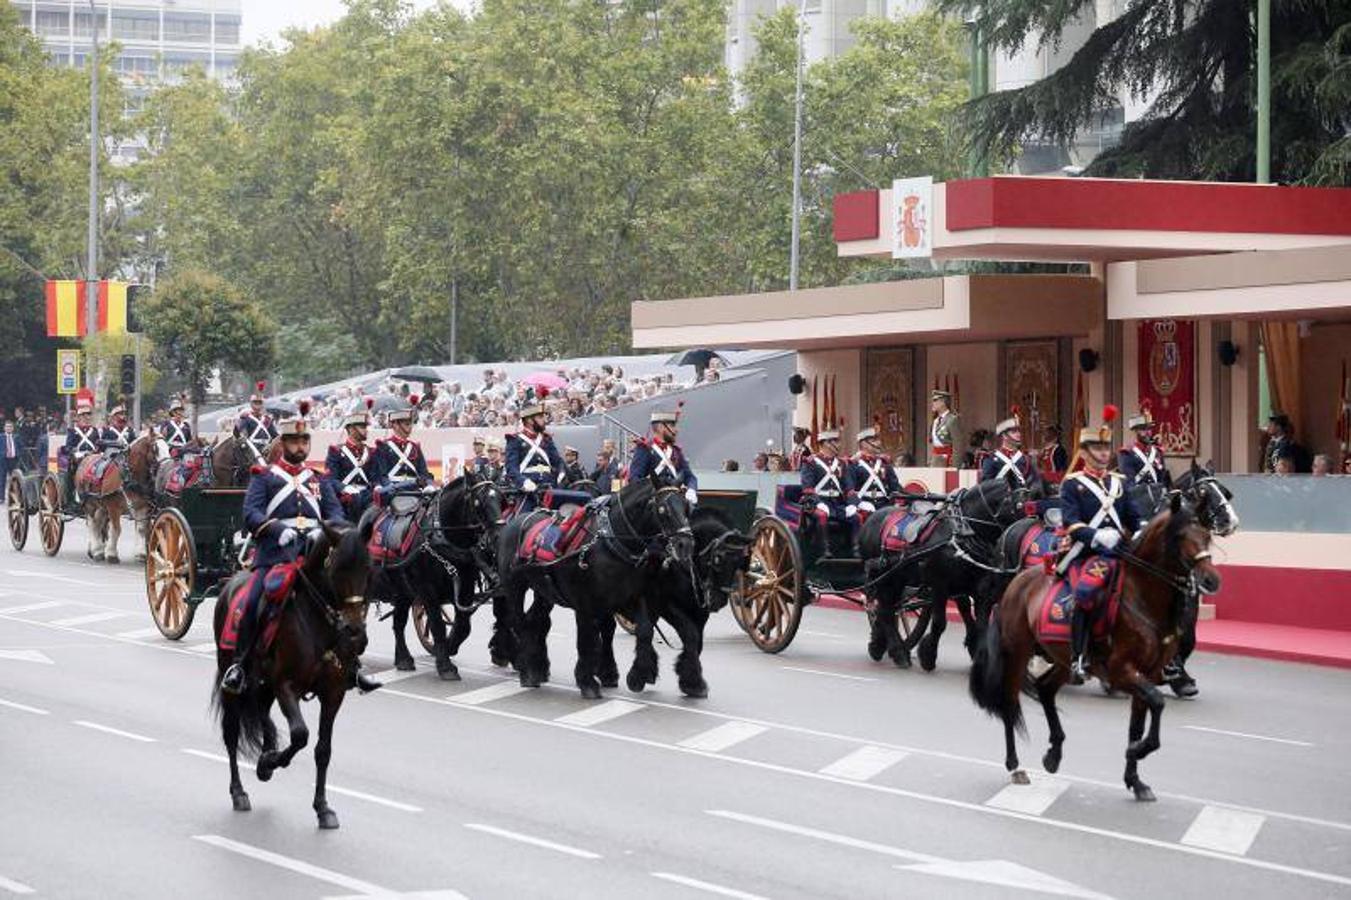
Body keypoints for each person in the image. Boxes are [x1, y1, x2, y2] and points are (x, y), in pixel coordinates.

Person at [220, 412, 379, 695]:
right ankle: (240, 666)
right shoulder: (264, 477)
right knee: (253, 601)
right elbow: (251, 513)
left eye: (304, 441)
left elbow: (334, 511)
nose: (300, 447)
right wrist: (275, 528)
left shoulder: (319, 478)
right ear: (283, 443)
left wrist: (328, 530)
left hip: (314, 555)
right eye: (294, 441)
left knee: (343, 604)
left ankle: (351, 666)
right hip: (274, 555)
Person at [1059, 405, 1143, 684]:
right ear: (1084, 453)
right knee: (1085, 594)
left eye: (1107, 447)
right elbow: (1071, 522)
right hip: (1088, 552)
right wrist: (1096, 536)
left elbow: (1133, 516)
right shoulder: (1073, 484)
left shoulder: (1118, 482)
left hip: (1121, 552)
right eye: (1098, 448)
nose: (1105, 453)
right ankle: (1078, 657)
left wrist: (1141, 529)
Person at [800, 429, 856, 556]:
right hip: (816, 502)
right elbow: (808, 488)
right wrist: (818, 502)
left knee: (856, 516)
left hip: (837, 503)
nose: (839, 444)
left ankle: (855, 549)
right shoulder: (810, 462)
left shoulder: (841, 463)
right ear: (825, 443)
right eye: (835, 441)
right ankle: (824, 550)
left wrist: (853, 503)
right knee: (822, 515)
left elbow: (849, 488)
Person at [506, 392, 563, 511]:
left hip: (549, 488)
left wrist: (558, 476)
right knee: (520, 521)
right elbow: (511, 468)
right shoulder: (515, 440)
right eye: (540, 417)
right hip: (528, 490)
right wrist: (524, 482)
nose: (544, 420)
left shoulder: (546, 439)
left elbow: (557, 462)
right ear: (530, 420)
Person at [628, 409, 698, 504]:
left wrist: (691, 490)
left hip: (674, 501)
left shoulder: (676, 452)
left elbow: (690, 477)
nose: (676, 430)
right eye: (672, 426)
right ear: (661, 427)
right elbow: (634, 478)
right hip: (653, 502)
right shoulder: (645, 449)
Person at [324, 398, 377, 519]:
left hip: (366, 497)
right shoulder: (336, 451)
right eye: (362, 427)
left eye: (366, 426)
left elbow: (375, 477)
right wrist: (345, 488)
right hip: (346, 499)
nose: (366, 430)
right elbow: (331, 478)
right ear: (351, 429)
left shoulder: (371, 452)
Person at [371, 396, 432, 492]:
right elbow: (382, 475)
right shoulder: (383, 447)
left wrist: (429, 485)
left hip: (415, 489)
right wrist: (390, 487)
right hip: (394, 490)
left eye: (411, 423)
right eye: (407, 424)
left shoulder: (415, 447)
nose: (410, 427)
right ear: (395, 425)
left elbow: (423, 472)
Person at [849, 426, 901, 518]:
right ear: (864, 443)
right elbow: (849, 490)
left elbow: (895, 487)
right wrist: (859, 503)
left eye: (878, 440)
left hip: (884, 504)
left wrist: (898, 502)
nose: (879, 443)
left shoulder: (884, 463)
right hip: (864, 504)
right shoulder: (854, 464)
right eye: (874, 440)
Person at [1118, 407, 1172, 489]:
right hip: (1137, 499)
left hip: (1157, 498)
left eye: (1149, 429)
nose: (1148, 432)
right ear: (1136, 431)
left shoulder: (1157, 452)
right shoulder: (1127, 453)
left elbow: (1162, 480)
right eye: (1143, 429)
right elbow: (1129, 484)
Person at [980, 413, 1039, 488]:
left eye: (1019, 431)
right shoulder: (991, 459)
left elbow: (1033, 481)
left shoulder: (1025, 458)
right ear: (1004, 435)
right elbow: (985, 486)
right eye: (1014, 432)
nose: (1018, 435)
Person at [235, 382, 278, 464]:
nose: (257, 405)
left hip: (268, 450)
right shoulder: (246, 418)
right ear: (251, 404)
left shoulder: (267, 420)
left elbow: (275, 436)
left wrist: (270, 446)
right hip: (252, 451)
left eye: (259, 402)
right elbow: (243, 438)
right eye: (255, 402)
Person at [928, 389, 965, 467]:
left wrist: (955, 465)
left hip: (947, 459)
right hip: (935, 459)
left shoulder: (952, 420)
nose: (933, 403)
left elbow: (958, 444)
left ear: (943, 402)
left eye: (935, 400)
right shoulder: (936, 421)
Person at [0, 420, 20, 497]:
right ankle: (1, 497)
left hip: (14, 460)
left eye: (10, 426)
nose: (9, 428)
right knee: (2, 479)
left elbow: (21, 447)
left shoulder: (16, 437)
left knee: (14, 479)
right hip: (3, 460)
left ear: (13, 428)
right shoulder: (1, 437)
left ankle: (14, 496)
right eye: (7, 426)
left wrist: (18, 455)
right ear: (4, 428)